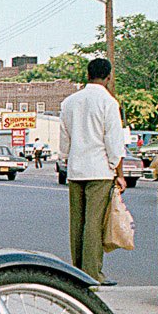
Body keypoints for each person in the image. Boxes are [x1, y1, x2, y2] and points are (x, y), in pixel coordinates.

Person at [58, 58, 126, 286]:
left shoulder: (69, 102)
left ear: (88, 75)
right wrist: (119, 172)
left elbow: (64, 138)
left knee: (77, 222)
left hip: (76, 169)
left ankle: (76, 270)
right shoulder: (108, 103)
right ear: (108, 77)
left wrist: (66, 158)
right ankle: (92, 273)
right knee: (94, 223)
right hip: (100, 170)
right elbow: (114, 141)